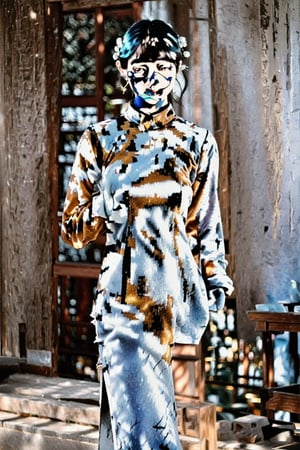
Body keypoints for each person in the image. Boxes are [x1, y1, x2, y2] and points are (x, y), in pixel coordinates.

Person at [61, 19, 234, 450]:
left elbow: (205, 222)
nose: (153, 78)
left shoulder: (196, 143)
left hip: (176, 296)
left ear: (178, 71)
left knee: (136, 429)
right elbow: (72, 228)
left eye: (163, 67)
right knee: (150, 433)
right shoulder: (100, 140)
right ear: (124, 71)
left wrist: (215, 279)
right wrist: (103, 204)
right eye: (141, 68)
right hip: (123, 298)